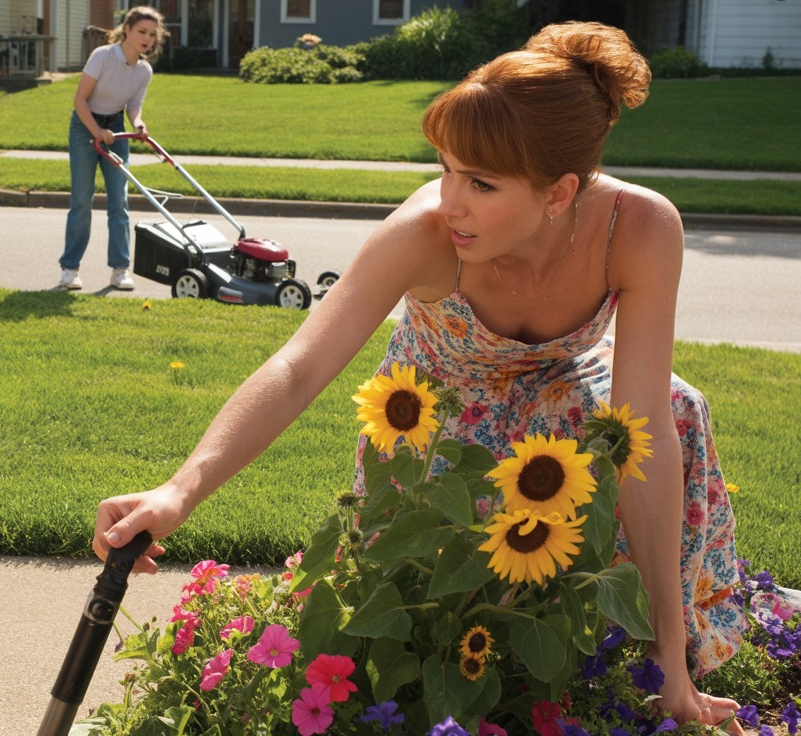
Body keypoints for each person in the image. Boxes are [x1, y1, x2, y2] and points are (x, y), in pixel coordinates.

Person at [93, 22, 747, 732]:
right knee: (424, 623)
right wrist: (180, 488)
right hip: (436, 418)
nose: (451, 200)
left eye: (481, 183)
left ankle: (646, 668)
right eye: (445, 167)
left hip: (561, 398)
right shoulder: (427, 231)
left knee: (675, 409)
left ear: (558, 194)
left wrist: (672, 659)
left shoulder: (641, 229)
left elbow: (641, 437)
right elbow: (300, 365)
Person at [57, 6, 168, 292]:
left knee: (119, 201)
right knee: (82, 201)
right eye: (142, 31)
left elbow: (133, 106)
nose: (147, 38)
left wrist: (139, 123)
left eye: (152, 35)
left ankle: (120, 270)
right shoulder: (103, 56)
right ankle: (70, 270)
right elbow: (79, 100)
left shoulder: (144, 70)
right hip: (85, 127)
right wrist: (97, 132)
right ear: (127, 29)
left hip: (116, 127)